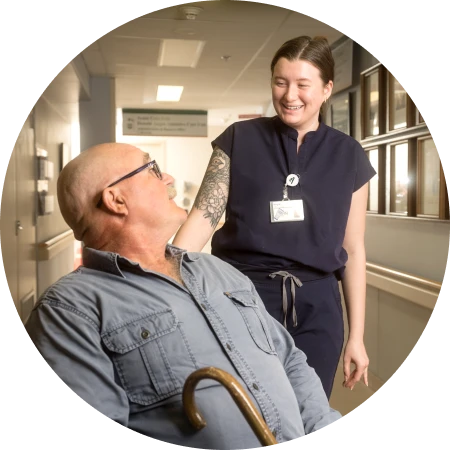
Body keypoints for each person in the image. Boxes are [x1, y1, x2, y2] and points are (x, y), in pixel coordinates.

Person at [24, 142, 344, 449]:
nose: (169, 178)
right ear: (115, 200)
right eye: (153, 169)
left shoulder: (217, 271)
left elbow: (289, 359)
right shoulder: (67, 312)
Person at [172, 35, 377, 399]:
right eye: (280, 82)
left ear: (327, 89)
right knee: (243, 410)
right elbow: (202, 218)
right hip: (241, 297)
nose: (289, 95)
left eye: (302, 84)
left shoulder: (350, 155)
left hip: (318, 308)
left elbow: (353, 249)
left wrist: (356, 337)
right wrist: (164, 287)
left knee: (306, 414)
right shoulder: (238, 139)